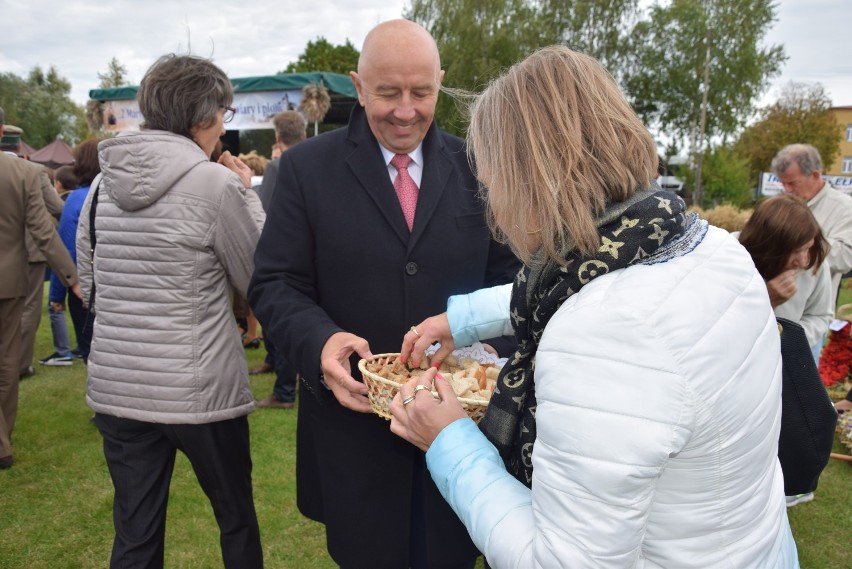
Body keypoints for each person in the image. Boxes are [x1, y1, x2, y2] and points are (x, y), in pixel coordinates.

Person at [390, 46, 799, 568]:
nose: (493, 204)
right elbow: (577, 283)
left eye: (492, 184)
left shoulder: (604, 334)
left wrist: (450, 441)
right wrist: (462, 320)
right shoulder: (706, 245)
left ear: (527, 180)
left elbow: (561, 560)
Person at [248, 19, 519, 569]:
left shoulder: (480, 166)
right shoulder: (305, 169)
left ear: (440, 81)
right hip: (355, 441)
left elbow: (511, 276)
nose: (405, 110)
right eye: (388, 93)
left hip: (461, 432)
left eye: (421, 92)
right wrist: (320, 342)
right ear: (358, 85)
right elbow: (276, 283)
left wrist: (490, 350)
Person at [76, 54, 265, 568]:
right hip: (198, 389)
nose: (223, 127)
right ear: (203, 118)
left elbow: (88, 281)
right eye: (223, 114)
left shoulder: (99, 186)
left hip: (119, 385)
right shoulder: (218, 185)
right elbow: (259, 277)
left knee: (134, 534)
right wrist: (248, 198)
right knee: (236, 520)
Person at [0, 106, 79, 470]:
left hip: (12, 279)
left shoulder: (24, 171)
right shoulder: (23, 171)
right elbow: (44, 231)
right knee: (5, 361)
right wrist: (72, 277)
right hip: (9, 280)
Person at [252, 110, 307, 410]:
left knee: (283, 320)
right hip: (315, 258)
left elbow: (265, 213)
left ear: (277, 137)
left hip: (286, 259)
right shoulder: (321, 160)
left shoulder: (279, 165)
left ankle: (284, 391)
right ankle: (276, 365)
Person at [1, 127, 66, 379]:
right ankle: (18, 364)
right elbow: (56, 206)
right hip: (30, 249)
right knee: (28, 309)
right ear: (19, 146)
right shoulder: (32, 172)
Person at [737, 193, 833, 362]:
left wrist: (787, 338)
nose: (803, 261)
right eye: (796, 251)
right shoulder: (731, 257)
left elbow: (820, 316)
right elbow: (719, 326)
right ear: (770, 245)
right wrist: (767, 299)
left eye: (808, 248)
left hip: (791, 360)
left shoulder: (815, 260)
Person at [772, 143, 852, 304]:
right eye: (783, 183)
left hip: (812, 310)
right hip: (775, 301)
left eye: (792, 183)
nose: (786, 190)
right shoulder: (781, 203)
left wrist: (798, 241)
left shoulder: (844, 207)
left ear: (815, 175)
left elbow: (846, 258)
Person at [47, 139, 101, 365]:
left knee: (94, 358)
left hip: (84, 292)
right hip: (115, 288)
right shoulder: (114, 193)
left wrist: (56, 295)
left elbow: (67, 249)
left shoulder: (77, 198)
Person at [39, 165, 79, 366]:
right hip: (79, 260)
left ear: (58, 184)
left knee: (55, 303)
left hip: (61, 257)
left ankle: (63, 350)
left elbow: (63, 240)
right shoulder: (84, 198)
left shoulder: (67, 203)